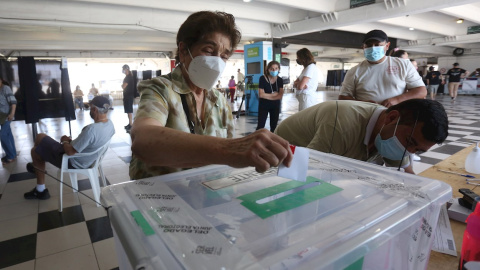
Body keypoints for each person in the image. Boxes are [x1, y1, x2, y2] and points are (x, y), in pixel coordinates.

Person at [129, 11, 292, 180]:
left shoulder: (219, 101)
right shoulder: (160, 89)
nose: (217, 62)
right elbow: (142, 140)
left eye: (224, 56)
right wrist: (229, 149)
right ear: (184, 50)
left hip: (208, 195)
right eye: (208, 50)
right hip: (161, 198)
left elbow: (226, 165)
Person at [275, 99, 448, 174]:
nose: (407, 151)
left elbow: (406, 174)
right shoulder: (341, 124)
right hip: (282, 162)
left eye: (417, 150)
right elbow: (312, 172)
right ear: (392, 118)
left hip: (319, 164)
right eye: (410, 142)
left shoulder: (394, 133)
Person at [24, 96, 115, 200]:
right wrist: (71, 141)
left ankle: (40, 186)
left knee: (37, 146)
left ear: (94, 109)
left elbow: (70, 152)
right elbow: (89, 142)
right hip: (90, 159)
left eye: (90, 108)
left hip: (73, 161)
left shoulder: (91, 130)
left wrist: (65, 140)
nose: (90, 110)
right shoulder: (110, 124)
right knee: (38, 149)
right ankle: (38, 167)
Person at [339, 30, 427, 107]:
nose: (373, 48)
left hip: (396, 116)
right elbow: (343, 97)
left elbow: (421, 91)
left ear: (387, 46)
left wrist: (397, 100)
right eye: (368, 46)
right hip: (366, 116)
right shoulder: (354, 71)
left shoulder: (403, 64)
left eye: (377, 45)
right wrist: (362, 103)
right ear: (363, 47)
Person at [256, 61, 284, 132]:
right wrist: (274, 95)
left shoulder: (280, 80)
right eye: (272, 68)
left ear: (279, 69)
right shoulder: (262, 78)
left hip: (275, 105)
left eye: (276, 68)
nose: (274, 70)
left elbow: (280, 96)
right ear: (268, 69)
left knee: (274, 126)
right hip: (264, 105)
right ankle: (257, 140)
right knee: (260, 125)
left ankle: (272, 141)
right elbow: (261, 94)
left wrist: (267, 95)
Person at [0, 78, 17, 165]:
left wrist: (12, 113)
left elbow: (13, 102)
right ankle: (13, 154)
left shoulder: (5, 88)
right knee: (8, 134)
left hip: (7, 116)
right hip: (1, 117)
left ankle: (10, 156)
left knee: (2, 135)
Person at [122, 64, 135, 132]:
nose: (123, 70)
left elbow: (123, 86)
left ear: (126, 69)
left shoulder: (128, 77)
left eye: (123, 69)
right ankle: (130, 124)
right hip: (128, 96)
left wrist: (122, 85)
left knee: (129, 111)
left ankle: (131, 125)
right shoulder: (129, 76)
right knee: (128, 111)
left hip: (128, 96)